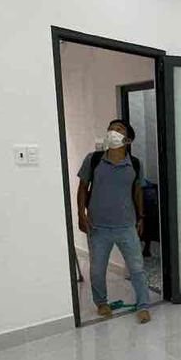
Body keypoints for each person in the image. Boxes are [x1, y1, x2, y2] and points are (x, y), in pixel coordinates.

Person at [76, 119, 151, 323]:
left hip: (126, 226)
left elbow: (137, 191)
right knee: (97, 270)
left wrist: (141, 217)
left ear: (128, 139)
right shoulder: (94, 159)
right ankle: (101, 303)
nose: (112, 132)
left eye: (118, 129)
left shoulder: (135, 164)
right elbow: (83, 188)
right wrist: (81, 214)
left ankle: (143, 305)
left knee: (137, 268)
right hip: (98, 227)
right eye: (110, 128)